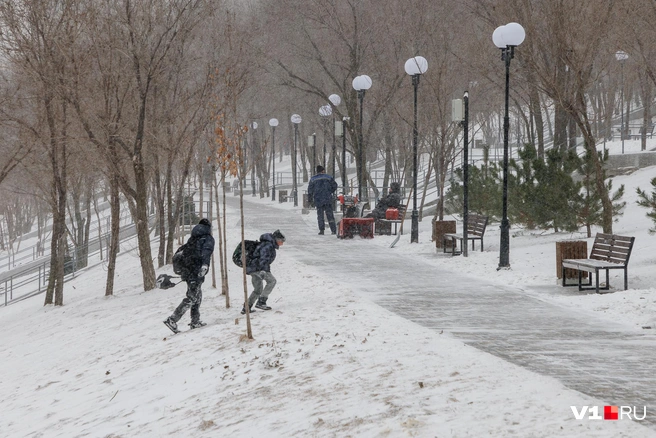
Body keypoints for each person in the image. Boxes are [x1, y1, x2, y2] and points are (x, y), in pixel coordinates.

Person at [164, 218, 215, 333]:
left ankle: (195, 321)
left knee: (197, 296)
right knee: (192, 296)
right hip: (196, 270)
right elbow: (206, 251)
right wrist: (205, 265)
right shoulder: (207, 238)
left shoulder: (193, 238)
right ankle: (172, 319)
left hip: (187, 270)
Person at [242, 229, 285, 314]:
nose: (282, 243)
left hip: (252, 268)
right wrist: (263, 270)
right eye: (281, 241)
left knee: (258, 289)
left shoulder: (267, 244)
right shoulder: (268, 245)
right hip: (258, 268)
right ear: (277, 239)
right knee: (272, 281)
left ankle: (247, 307)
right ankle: (261, 302)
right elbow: (263, 258)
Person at [308, 165, 338, 235]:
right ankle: (333, 230)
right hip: (327, 198)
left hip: (318, 199)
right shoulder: (328, 177)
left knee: (320, 215)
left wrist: (310, 199)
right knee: (330, 215)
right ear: (323, 170)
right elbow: (335, 186)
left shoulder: (313, 179)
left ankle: (322, 230)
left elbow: (310, 190)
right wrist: (329, 191)